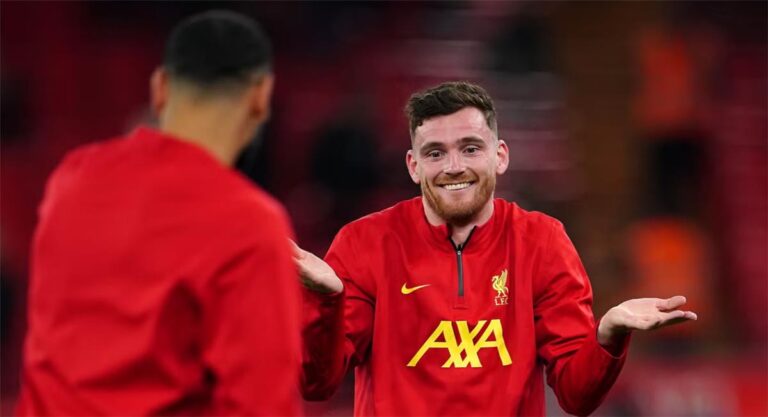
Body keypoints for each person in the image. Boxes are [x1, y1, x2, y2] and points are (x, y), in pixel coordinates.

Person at [296, 81, 697, 416]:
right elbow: (317, 384)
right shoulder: (363, 243)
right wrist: (325, 302)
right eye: (435, 153)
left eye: (470, 148)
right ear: (413, 166)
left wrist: (608, 335)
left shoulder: (542, 241)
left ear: (500, 156)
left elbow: (576, 396)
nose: (454, 166)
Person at [17, 10, 300, 416]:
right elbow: (262, 404)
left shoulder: (71, 178)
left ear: (160, 87)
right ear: (261, 95)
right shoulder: (249, 222)